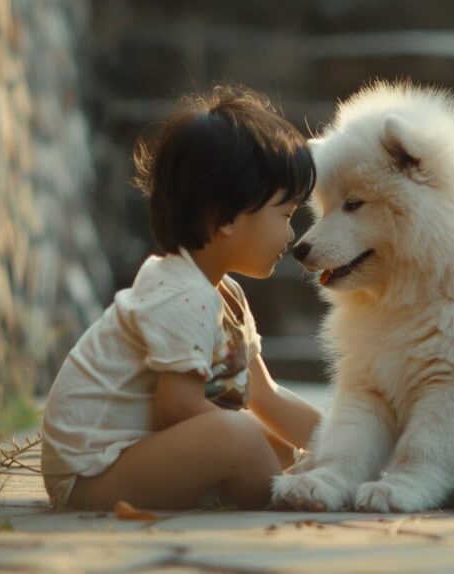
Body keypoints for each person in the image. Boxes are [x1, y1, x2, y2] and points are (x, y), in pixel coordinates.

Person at [40, 85, 322, 511]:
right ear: (223, 217)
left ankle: (291, 478)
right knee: (242, 438)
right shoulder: (183, 296)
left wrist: (348, 449)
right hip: (92, 474)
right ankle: (291, 494)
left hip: (129, 460)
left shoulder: (222, 293)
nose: (290, 233)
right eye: (284, 215)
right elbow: (177, 407)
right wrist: (264, 451)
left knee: (271, 446)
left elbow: (266, 396)